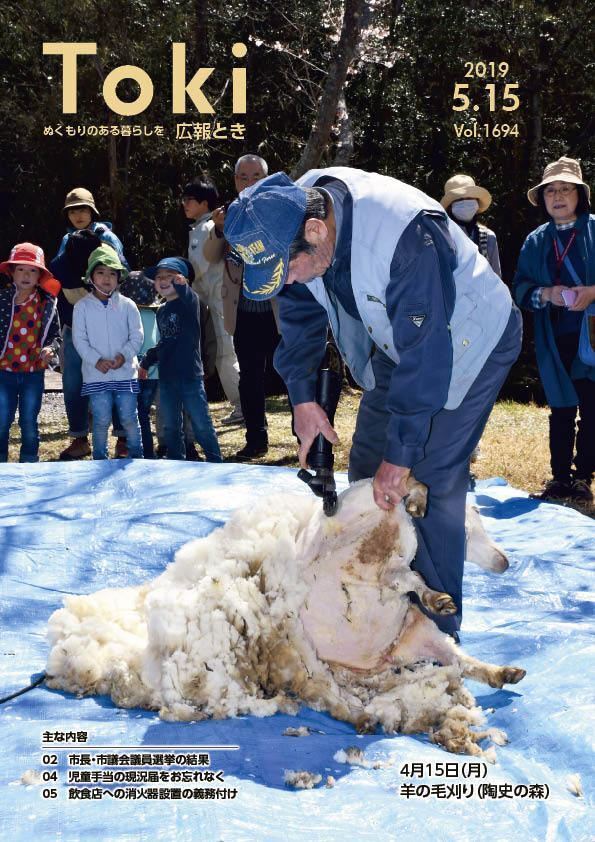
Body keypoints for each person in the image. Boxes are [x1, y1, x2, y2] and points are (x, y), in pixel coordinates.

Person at [224, 167, 522, 636]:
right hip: (399, 341)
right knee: (368, 467)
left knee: (428, 477)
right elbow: (299, 309)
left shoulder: (402, 234)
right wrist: (303, 399)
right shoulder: (290, 214)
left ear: (316, 230)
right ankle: (377, 594)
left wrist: (402, 458)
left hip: (468, 338)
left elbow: (428, 358)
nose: (289, 280)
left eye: (290, 267)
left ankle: (433, 633)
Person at [513, 157, 594, 503]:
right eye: (550, 191)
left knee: (592, 408)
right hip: (554, 335)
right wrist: (546, 294)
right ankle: (560, 478)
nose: (557, 196)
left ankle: (583, 479)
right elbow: (519, 289)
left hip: (590, 337)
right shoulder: (536, 241)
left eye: (565, 189)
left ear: (579, 195)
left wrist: (592, 293)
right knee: (560, 408)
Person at [205, 154, 282, 461]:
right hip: (245, 313)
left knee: (293, 375)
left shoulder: (281, 211)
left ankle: (306, 439)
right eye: (243, 177)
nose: (249, 183)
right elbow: (211, 256)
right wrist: (220, 229)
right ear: (235, 180)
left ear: (267, 179)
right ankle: (256, 440)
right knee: (249, 378)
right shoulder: (230, 215)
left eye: (256, 177)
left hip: (279, 311)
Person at [51, 187, 130, 460]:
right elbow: (58, 275)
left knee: (116, 378)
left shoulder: (107, 236)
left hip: (108, 319)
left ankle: (123, 439)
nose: (78, 214)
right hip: (75, 321)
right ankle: (79, 438)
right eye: (73, 210)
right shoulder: (65, 239)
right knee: (73, 380)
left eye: (83, 209)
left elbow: (123, 271)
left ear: (93, 211)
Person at [139, 257, 222, 463]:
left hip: (190, 376)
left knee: (201, 422)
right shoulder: (162, 311)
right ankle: (177, 461)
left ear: (182, 280)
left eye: (171, 276)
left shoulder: (190, 301)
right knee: (170, 425)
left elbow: (187, 294)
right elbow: (165, 343)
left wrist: (182, 285)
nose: (164, 280)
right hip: (167, 378)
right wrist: (147, 361)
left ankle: (215, 460)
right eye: (159, 277)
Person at [72, 244, 143, 460]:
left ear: (119, 277)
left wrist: (125, 355)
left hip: (125, 374)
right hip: (96, 375)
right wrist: (96, 360)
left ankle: (137, 458)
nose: (107, 278)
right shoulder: (82, 307)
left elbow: (137, 336)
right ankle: (99, 460)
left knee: (130, 418)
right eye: (101, 272)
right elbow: (79, 340)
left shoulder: (128, 305)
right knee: (101, 420)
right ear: (91, 276)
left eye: (112, 273)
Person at [181, 180, 242, 424]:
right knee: (221, 354)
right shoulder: (202, 227)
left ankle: (243, 407)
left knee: (226, 354)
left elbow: (200, 268)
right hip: (212, 301)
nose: (184, 204)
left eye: (189, 200)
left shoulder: (208, 227)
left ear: (204, 203)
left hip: (219, 301)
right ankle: (242, 407)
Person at [0, 243, 61, 462]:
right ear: (11, 272)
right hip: (3, 373)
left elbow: (56, 334)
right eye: (21, 269)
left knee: (28, 421)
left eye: (32, 270)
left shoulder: (47, 303)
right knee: (1, 420)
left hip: (33, 373)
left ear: (40, 276)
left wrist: (51, 348)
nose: (26, 275)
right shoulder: (3, 300)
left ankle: (29, 464)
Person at [119, 270, 165, 459]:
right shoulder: (154, 315)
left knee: (140, 415)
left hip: (139, 372)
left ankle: (146, 452)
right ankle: (161, 447)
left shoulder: (129, 316)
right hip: (156, 373)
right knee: (159, 414)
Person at [440, 174, 501, 276]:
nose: (465, 202)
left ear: (476, 202)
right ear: (450, 206)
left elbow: (496, 279)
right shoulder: (441, 237)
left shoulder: (488, 237)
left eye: (469, 198)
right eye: (459, 199)